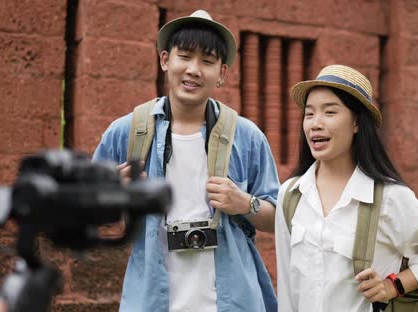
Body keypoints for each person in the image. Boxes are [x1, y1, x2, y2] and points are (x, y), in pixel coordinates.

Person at [93, 10, 280, 312]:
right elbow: (87, 211)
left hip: (233, 301)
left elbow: (279, 219)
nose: (194, 70)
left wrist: (245, 204)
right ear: (165, 60)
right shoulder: (127, 132)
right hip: (153, 300)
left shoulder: (246, 136)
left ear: (222, 74)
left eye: (207, 62)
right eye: (185, 57)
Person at [274, 65, 418, 312]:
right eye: (309, 114)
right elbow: (288, 291)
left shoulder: (389, 197)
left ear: (356, 123)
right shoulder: (290, 195)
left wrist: (393, 286)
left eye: (330, 112)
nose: (315, 124)